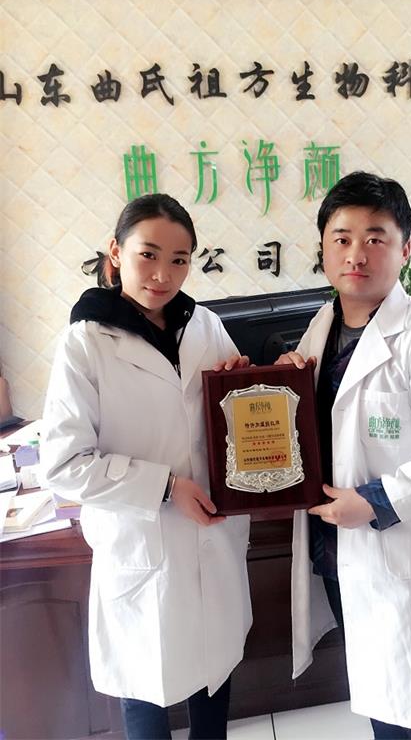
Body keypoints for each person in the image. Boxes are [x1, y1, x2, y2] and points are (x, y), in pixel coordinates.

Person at [277, 172, 411, 739]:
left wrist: (375, 502)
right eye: (342, 238)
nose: (357, 253)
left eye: (376, 238)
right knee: (386, 702)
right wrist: (279, 385)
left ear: (405, 250)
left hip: (400, 552)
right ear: (323, 248)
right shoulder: (322, 325)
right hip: (339, 554)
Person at [41, 194, 252, 740]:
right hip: (142, 544)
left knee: (214, 679)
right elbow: (63, 464)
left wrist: (243, 382)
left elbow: (231, 416)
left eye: (179, 260)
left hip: (212, 538)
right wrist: (165, 487)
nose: (163, 275)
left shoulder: (204, 326)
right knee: (144, 687)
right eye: (148, 255)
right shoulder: (85, 342)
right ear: (116, 252)